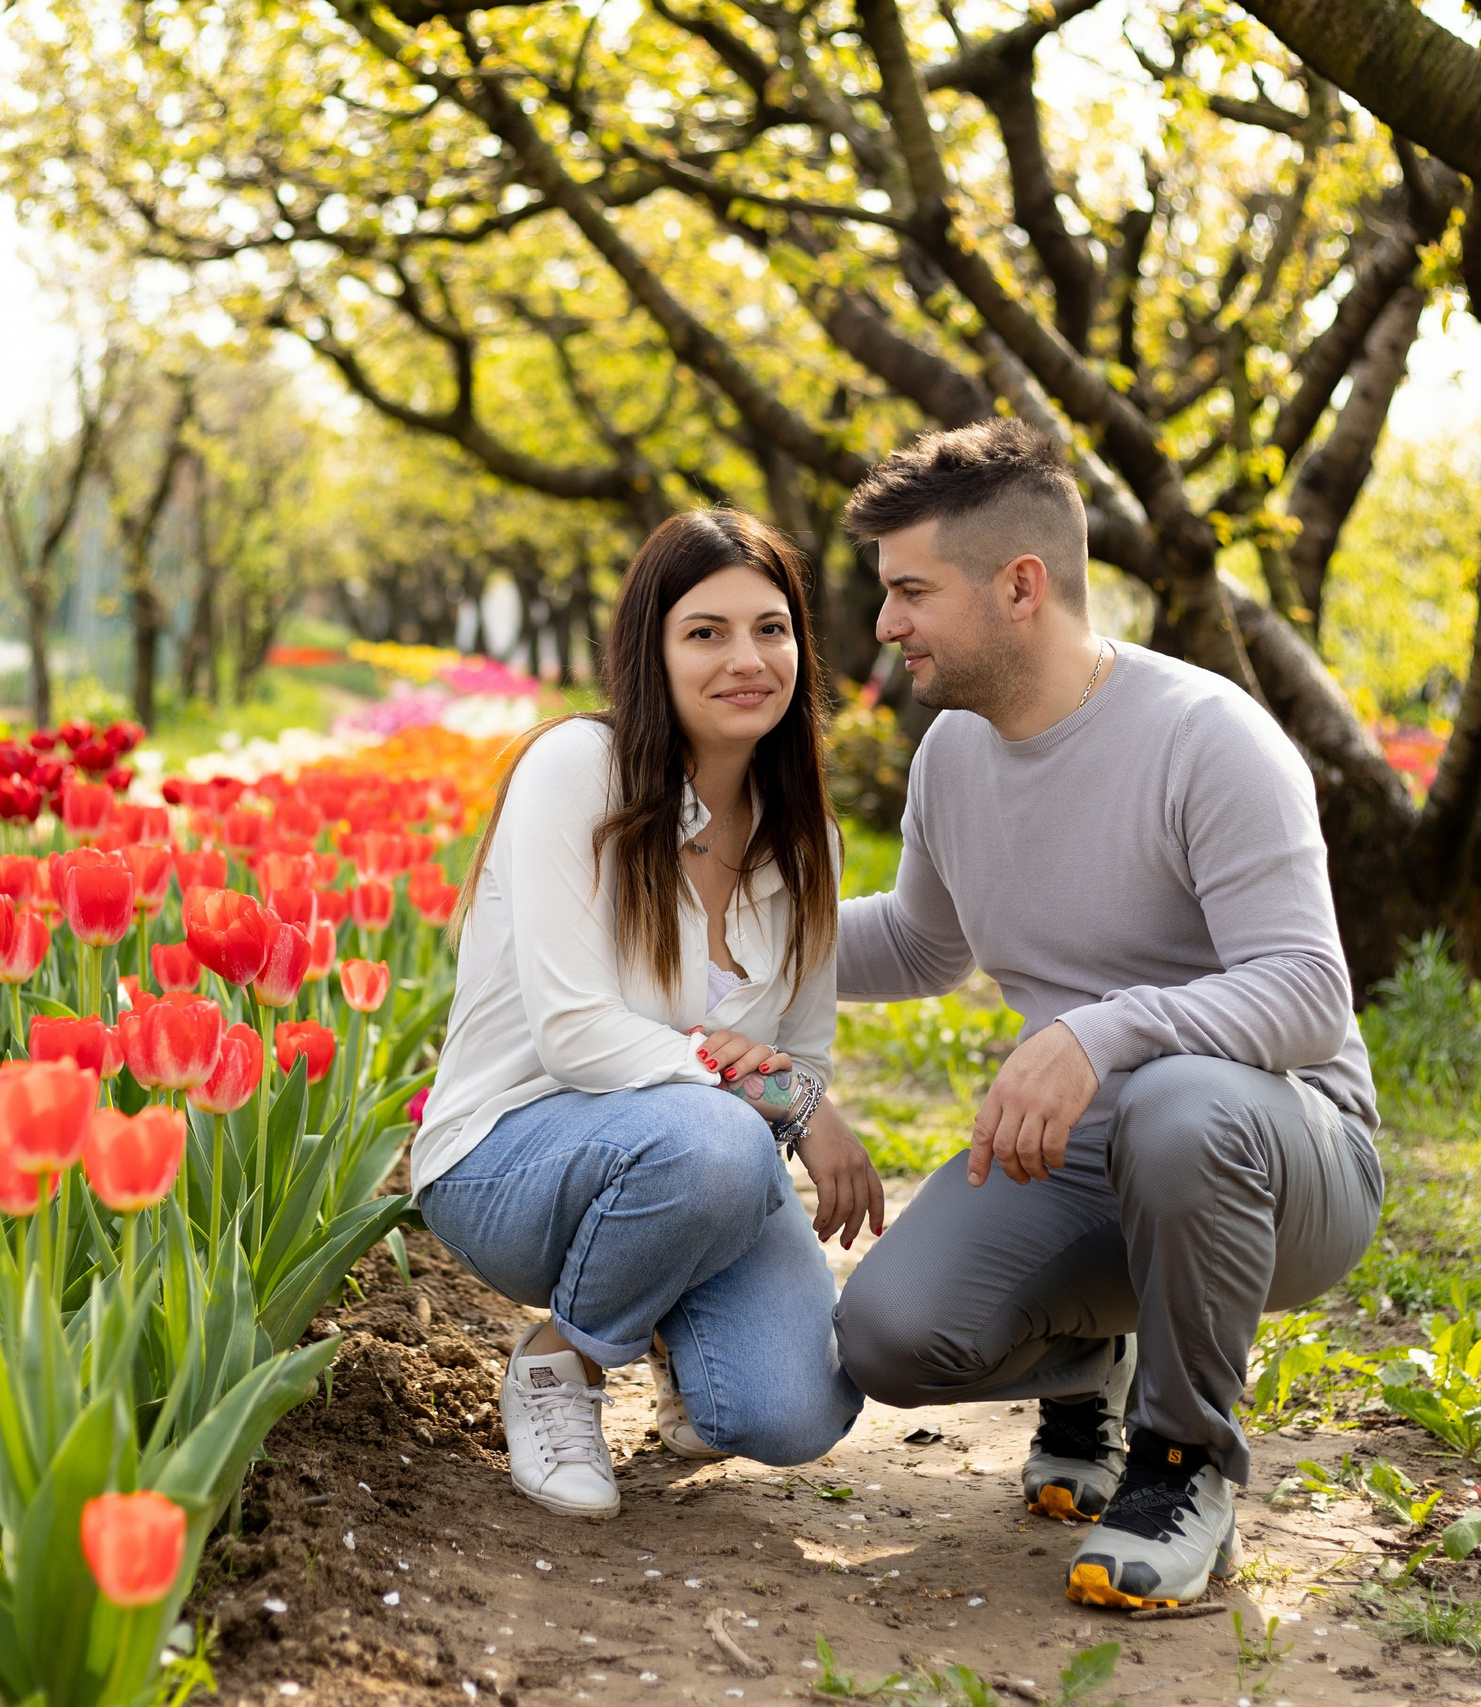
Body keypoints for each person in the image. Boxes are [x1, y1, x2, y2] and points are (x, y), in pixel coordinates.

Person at [827, 420, 1383, 1608]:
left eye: (911, 591)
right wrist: (735, 937)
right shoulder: (953, 756)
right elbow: (926, 944)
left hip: (1286, 1156)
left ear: (1018, 585)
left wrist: (1096, 1032)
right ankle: (1094, 1356)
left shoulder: (1206, 739)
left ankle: (1183, 1467)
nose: (886, 625)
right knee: (886, 1335)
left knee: (1180, 1107)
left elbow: (1306, 995)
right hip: (1089, 1164)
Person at [415, 508, 883, 1520]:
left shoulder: (812, 848)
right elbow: (577, 1035)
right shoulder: (576, 772)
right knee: (715, 1136)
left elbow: (796, 1052)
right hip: (510, 1159)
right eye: (704, 632)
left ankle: (667, 1321)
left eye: (770, 628)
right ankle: (562, 1361)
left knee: (795, 1413)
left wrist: (780, 1086)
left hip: (689, 1161)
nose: (746, 658)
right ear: (652, 651)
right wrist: (780, 1096)